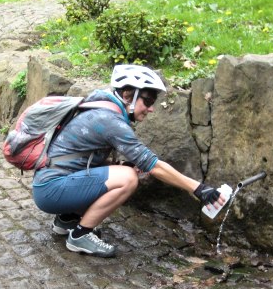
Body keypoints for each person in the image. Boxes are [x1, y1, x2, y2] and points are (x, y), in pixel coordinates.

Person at [32, 64, 225, 258]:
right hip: (51, 190)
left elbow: (83, 159)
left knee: (123, 171)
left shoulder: (100, 105)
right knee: (128, 179)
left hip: (49, 185)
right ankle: (80, 235)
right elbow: (153, 165)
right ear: (127, 95)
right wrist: (198, 189)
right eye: (148, 101)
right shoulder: (110, 120)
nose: (151, 109)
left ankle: (67, 220)